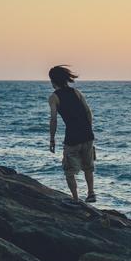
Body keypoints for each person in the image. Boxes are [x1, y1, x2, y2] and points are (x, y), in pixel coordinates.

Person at [48, 65, 96, 203]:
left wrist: (52, 140)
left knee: (69, 171)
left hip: (72, 138)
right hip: (87, 135)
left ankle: (75, 199)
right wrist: (88, 129)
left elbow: (53, 119)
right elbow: (88, 112)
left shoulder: (54, 97)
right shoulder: (76, 92)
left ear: (53, 81)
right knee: (88, 166)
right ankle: (91, 193)